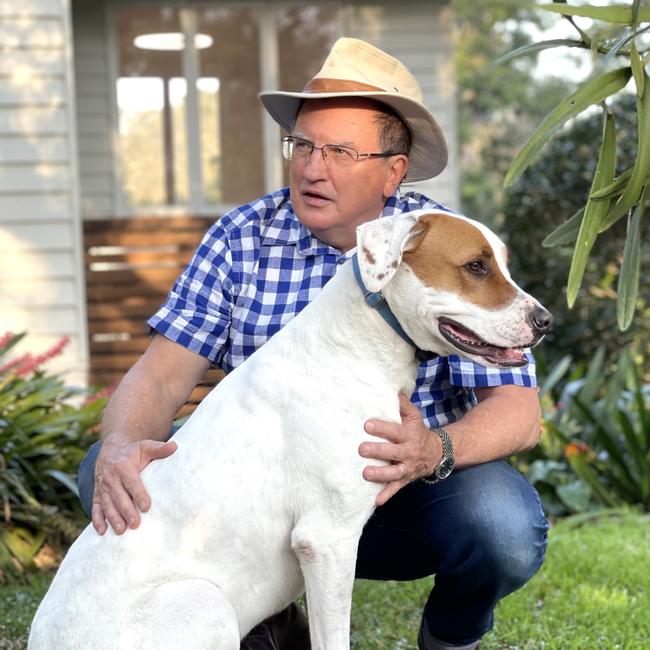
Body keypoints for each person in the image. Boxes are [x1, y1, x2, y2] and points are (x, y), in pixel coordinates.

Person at [77, 38, 548, 650]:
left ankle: (448, 638)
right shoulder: (244, 236)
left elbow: (519, 409)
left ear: (392, 171)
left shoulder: (440, 242)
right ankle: (262, 626)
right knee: (107, 473)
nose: (311, 168)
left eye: (341, 151)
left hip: (405, 492)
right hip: (264, 509)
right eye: (303, 146)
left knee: (500, 524)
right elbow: (161, 377)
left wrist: (433, 449)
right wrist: (119, 445)